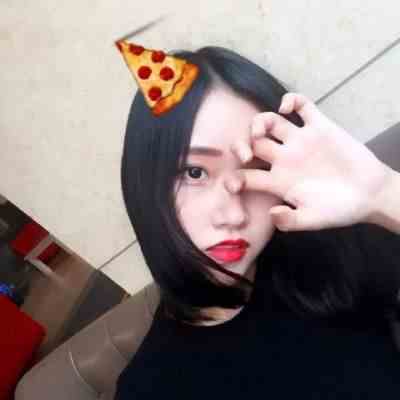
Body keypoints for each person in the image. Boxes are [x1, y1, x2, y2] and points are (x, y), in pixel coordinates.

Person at [115, 45, 400, 398]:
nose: (234, 215)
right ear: (144, 185)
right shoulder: (146, 388)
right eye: (195, 172)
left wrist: (384, 193)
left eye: (259, 169)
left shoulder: (332, 245)